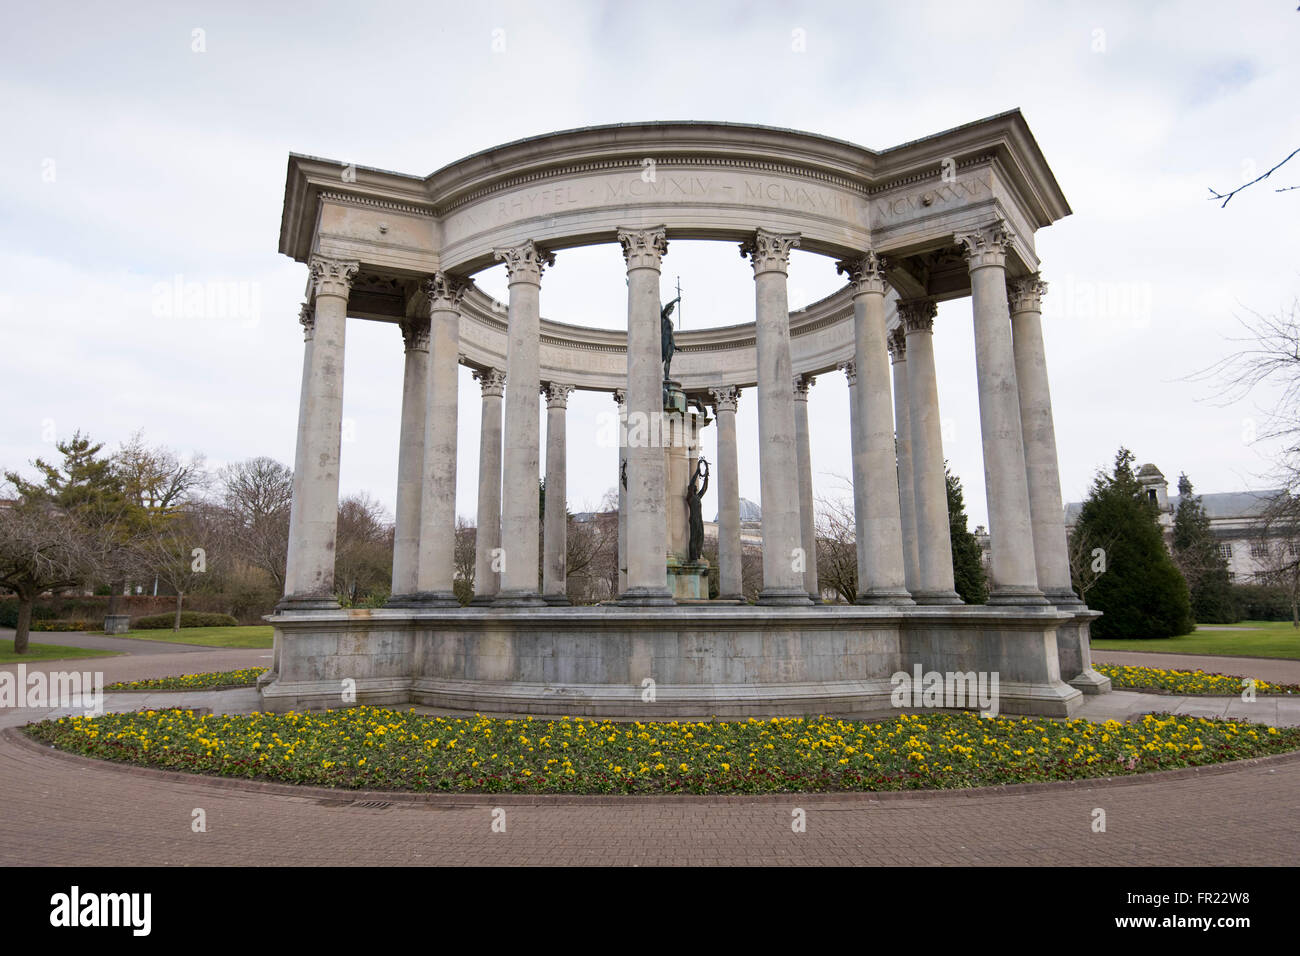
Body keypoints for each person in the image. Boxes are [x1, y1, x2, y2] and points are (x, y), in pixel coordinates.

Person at [686, 457, 709, 563]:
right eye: (694, 487)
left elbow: (704, 489)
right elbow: (691, 484)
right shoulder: (690, 497)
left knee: (700, 536)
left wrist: (706, 477)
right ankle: (693, 555)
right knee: (694, 536)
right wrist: (697, 472)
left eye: (695, 487)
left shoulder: (697, 497)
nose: (695, 487)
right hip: (694, 518)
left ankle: (698, 553)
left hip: (699, 518)